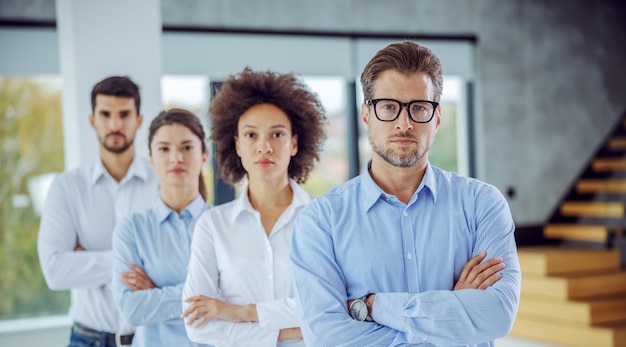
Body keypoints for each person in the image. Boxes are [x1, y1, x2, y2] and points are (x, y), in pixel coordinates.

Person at [290, 41, 521, 346]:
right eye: (388, 106)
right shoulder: (320, 222)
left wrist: (373, 306)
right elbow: (329, 338)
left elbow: (496, 315)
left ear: (437, 117)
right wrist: (452, 313)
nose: (404, 123)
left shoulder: (482, 205)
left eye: (419, 108)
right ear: (366, 115)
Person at [181, 67, 326, 347]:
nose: (264, 147)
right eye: (251, 135)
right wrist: (292, 330)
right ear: (236, 144)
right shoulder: (213, 226)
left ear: (294, 143)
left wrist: (241, 313)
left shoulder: (322, 218)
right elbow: (198, 326)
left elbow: (332, 307)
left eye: (277, 134)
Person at [37, 76, 159, 347]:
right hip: (88, 338)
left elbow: (176, 264)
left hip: (152, 337)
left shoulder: (162, 182)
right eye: (106, 114)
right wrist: (134, 263)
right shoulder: (67, 187)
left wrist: (88, 260)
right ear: (92, 120)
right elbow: (55, 271)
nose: (115, 125)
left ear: (139, 120)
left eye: (125, 114)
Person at [112, 108, 212, 347]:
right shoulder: (131, 229)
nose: (176, 158)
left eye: (187, 147)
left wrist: (156, 292)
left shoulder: (224, 224)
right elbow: (132, 309)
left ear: (204, 156)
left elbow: (238, 297)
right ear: (151, 159)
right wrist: (206, 298)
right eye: (164, 149)